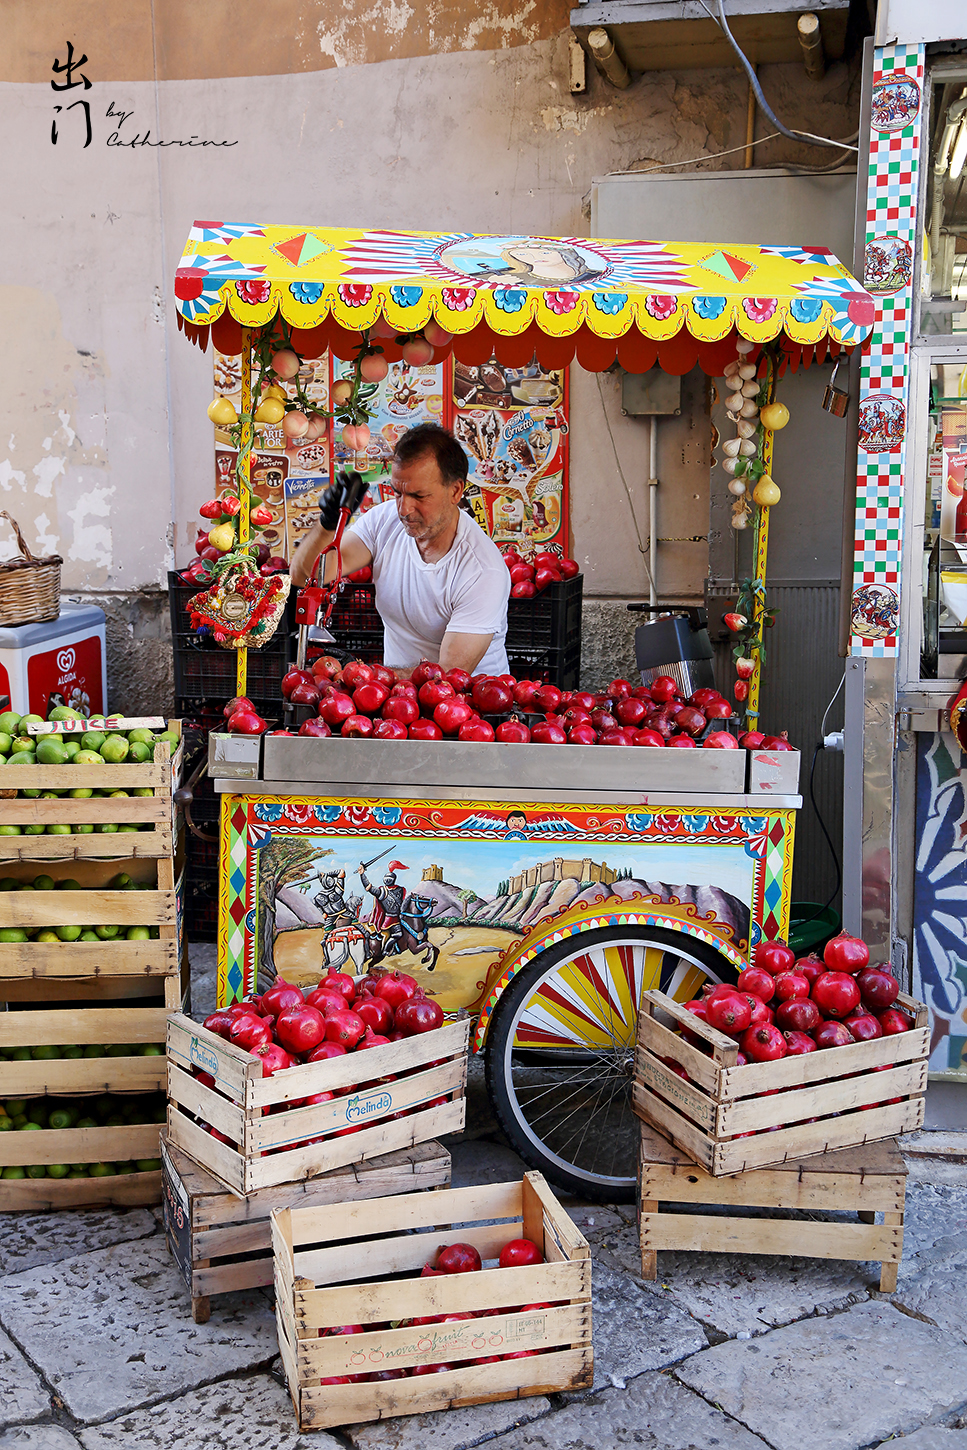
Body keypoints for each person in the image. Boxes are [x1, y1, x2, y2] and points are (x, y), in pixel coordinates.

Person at [291, 422, 510, 675]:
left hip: (468, 705)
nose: (404, 510)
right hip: (396, 699)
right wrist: (326, 524)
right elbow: (304, 575)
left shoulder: (482, 570)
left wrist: (361, 676)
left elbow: (448, 676)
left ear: (456, 491)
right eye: (397, 493)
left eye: (419, 496)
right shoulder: (384, 520)